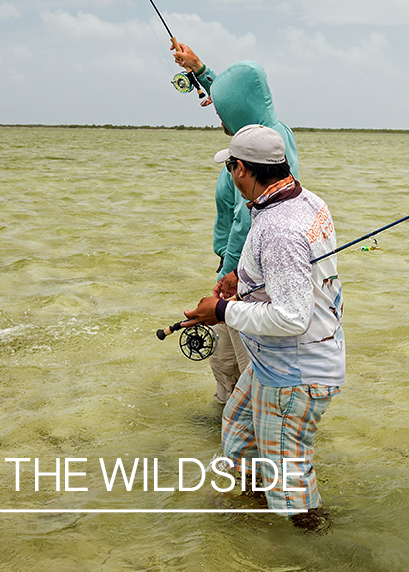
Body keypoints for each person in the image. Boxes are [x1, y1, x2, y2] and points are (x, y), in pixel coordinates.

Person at [183, 124, 344, 532]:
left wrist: (222, 311)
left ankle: (314, 545)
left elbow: (291, 318)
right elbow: (293, 276)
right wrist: (245, 278)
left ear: (242, 169)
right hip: (271, 365)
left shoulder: (278, 229)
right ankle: (253, 523)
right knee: (238, 437)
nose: (230, 174)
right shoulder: (307, 202)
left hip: (294, 374)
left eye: (231, 166)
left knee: (289, 484)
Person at [172, 41, 301, 407]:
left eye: (223, 112)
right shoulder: (258, 136)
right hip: (232, 270)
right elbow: (233, 98)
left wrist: (228, 275)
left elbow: (248, 218)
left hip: (247, 277)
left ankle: (253, 446)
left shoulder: (268, 145)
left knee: (250, 375)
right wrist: (200, 72)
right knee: (223, 363)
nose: (218, 117)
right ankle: (221, 438)